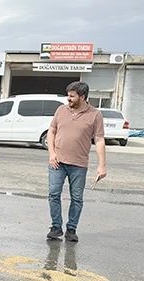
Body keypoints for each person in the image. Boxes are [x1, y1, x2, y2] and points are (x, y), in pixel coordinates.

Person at [47, 81, 106, 242]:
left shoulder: (95, 115)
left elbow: (99, 140)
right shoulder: (61, 110)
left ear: (82, 96)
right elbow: (51, 131)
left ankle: (71, 229)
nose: (68, 99)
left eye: (72, 96)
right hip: (57, 162)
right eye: (68, 95)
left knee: (77, 198)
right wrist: (52, 153)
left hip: (79, 164)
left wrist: (102, 166)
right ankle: (56, 227)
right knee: (53, 194)